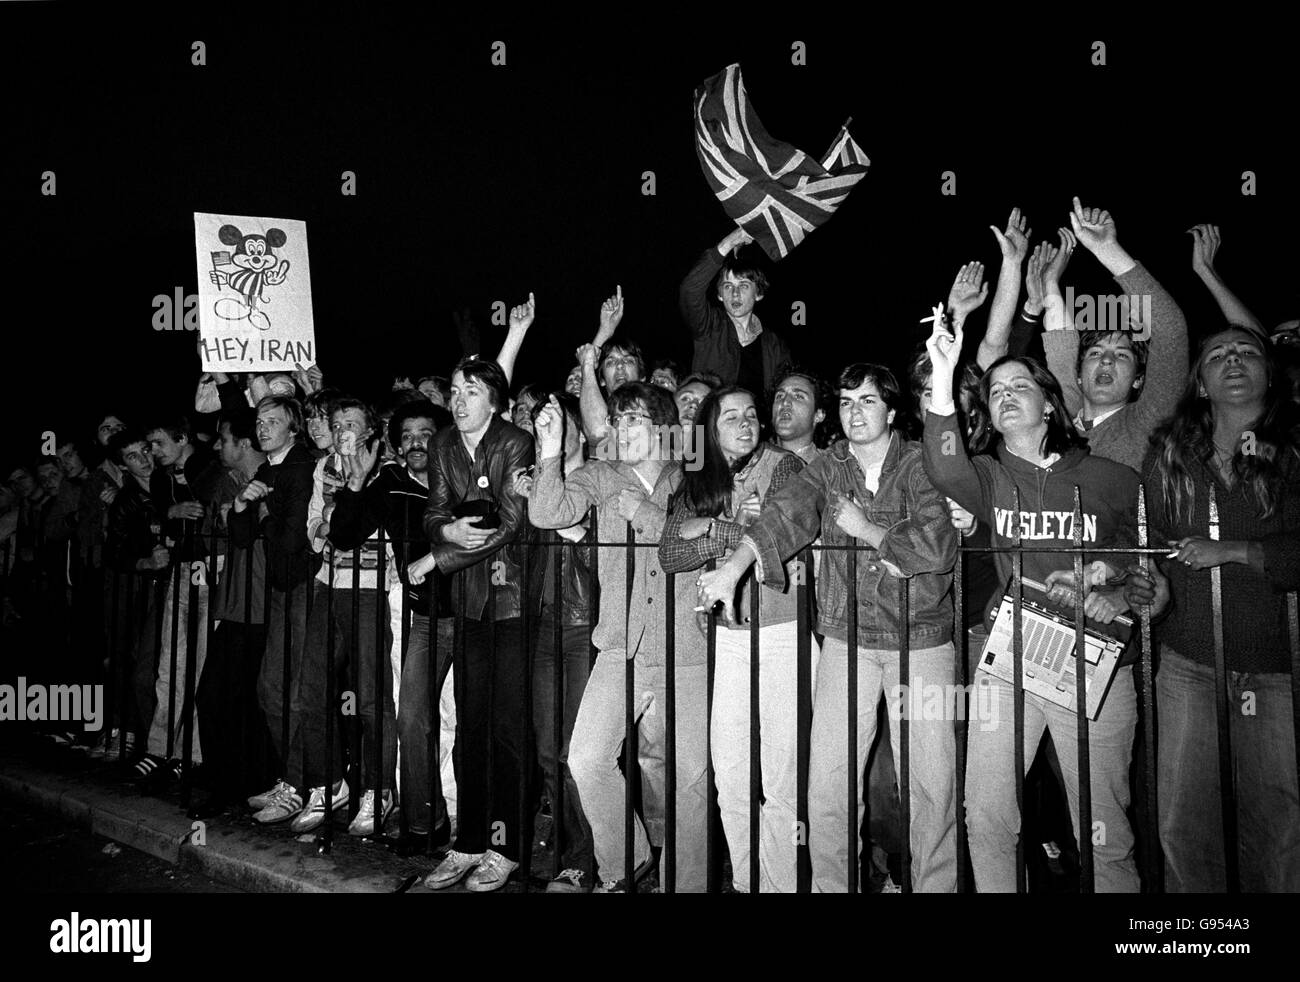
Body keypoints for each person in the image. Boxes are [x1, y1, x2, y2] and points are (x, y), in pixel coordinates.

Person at [700, 364, 959, 893]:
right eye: (845, 402)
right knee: (828, 786)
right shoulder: (828, 466)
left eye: (866, 401)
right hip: (848, 638)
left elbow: (936, 546)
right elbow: (785, 512)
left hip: (922, 639)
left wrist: (866, 529)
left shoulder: (921, 462)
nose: (854, 412)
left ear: (890, 410)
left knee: (931, 786)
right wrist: (733, 567)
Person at [922, 316, 1142, 893]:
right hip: (1013, 660)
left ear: (1050, 403)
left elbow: (1153, 569)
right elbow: (944, 465)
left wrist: (1117, 587)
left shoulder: (1115, 479)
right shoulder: (990, 476)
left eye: (1019, 385)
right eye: (995, 393)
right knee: (987, 814)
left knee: (1102, 829)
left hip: (1094, 662)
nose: (1005, 396)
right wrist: (944, 377)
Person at [1126, 324, 1300, 892]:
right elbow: (1149, 542)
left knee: (1274, 821)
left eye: (1247, 353)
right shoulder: (1173, 452)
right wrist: (1153, 586)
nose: (1232, 360)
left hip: (1274, 666)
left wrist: (1236, 550)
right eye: (1217, 354)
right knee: (1181, 818)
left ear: (1269, 375)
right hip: (1189, 659)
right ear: (1199, 382)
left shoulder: (1293, 450)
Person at [530, 382, 709, 892]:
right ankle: (625, 862)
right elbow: (547, 514)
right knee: (586, 758)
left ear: (662, 427)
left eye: (633, 419)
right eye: (617, 420)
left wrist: (645, 515)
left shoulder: (692, 479)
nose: (621, 429)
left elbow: (704, 546)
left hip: (686, 649)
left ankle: (688, 883)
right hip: (620, 649)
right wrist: (548, 450)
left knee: (690, 778)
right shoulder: (602, 475)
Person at [659, 386, 814, 892]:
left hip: (784, 636)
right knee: (729, 779)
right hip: (729, 640)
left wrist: (705, 531)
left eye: (751, 414)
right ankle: (750, 883)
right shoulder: (698, 479)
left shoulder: (785, 466)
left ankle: (781, 886)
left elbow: (779, 526)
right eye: (731, 417)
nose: (746, 423)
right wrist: (727, 530)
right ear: (709, 428)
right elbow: (669, 553)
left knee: (783, 781)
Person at [421, 357, 534, 892]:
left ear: (494, 398)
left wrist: (437, 558)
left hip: (511, 601)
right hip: (469, 603)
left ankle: (505, 847)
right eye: (453, 390)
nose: (458, 400)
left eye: (470, 391)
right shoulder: (444, 444)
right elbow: (432, 510)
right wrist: (447, 527)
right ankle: (467, 843)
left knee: (508, 730)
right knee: (470, 725)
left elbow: (511, 523)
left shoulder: (515, 441)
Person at [328, 399, 459, 850]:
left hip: (479, 617)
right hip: (425, 618)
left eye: (425, 432)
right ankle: (426, 825)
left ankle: (481, 827)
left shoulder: (460, 474)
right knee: (411, 719)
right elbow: (343, 535)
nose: (415, 442)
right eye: (406, 436)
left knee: (471, 724)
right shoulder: (390, 482)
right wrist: (357, 480)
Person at [515, 393, 599, 892]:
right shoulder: (539, 481)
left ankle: (587, 857)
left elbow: (608, 559)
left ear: (580, 434)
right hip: (543, 624)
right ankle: (568, 845)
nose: (548, 430)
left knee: (578, 751)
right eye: (544, 423)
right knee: (548, 750)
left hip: (584, 626)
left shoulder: (598, 479)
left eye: (558, 422)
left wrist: (570, 526)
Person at [1041, 198, 1189, 472]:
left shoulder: (1147, 420)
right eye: (1095, 353)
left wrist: (1106, 249)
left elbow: (1171, 332)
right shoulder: (1052, 423)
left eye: (1121, 355)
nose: (1106, 360)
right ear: (1077, 377)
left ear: (1138, 379)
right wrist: (1049, 282)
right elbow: (1062, 348)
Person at [233, 396, 320, 826]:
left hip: (306, 587)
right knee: (271, 690)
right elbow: (240, 537)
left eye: (273, 421)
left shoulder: (303, 468)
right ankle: (293, 779)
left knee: (297, 693)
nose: (263, 428)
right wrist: (241, 505)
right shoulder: (267, 471)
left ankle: (302, 785)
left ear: (294, 429)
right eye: (259, 420)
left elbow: (289, 542)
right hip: (282, 590)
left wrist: (264, 511)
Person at [679, 227, 791, 394]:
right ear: (720, 295)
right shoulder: (709, 325)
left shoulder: (774, 345)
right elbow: (689, 290)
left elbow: (784, 389)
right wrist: (729, 242)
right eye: (728, 286)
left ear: (758, 294)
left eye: (744, 286)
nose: (735, 293)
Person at [770, 366, 832, 463]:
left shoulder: (833, 470)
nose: (785, 402)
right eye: (779, 396)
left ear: (818, 415)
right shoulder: (749, 465)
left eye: (798, 396)